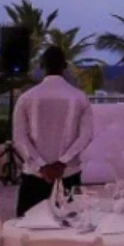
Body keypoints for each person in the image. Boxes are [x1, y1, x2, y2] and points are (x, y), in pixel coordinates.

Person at [13, 45, 94, 216]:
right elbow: (86, 136)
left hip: (34, 176)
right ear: (64, 66)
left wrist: (42, 166)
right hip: (69, 174)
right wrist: (62, 162)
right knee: (71, 231)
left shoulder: (26, 98)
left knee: (28, 231)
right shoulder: (80, 97)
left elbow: (20, 138)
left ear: (42, 65)